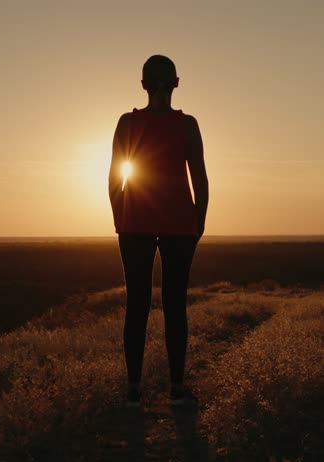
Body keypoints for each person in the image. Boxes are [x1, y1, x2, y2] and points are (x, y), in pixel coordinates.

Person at [108, 55, 209, 407]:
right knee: (174, 304)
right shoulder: (188, 125)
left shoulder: (126, 123)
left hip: (134, 222)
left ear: (143, 84)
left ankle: (134, 390)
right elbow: (200, 178)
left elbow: (114, 179)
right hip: (180, 224)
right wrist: (200, 221)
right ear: (177, 83)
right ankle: (177, 388)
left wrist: (120, 217)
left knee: (136, 304)